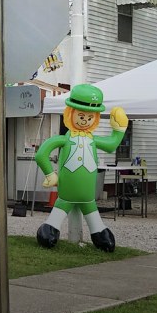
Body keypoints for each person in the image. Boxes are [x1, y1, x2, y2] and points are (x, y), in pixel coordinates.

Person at [33, 84, 128, 252]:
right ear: (71, 114)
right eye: (81, 115)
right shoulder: (65, 139)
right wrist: (50, 174)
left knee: (90, 208)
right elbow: (41, 154)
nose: (85, 120)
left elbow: (111, 144)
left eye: (90, 117)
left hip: (87, 196)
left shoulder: (92, 140)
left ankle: (99, 233)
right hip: (67, 193)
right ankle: (50, 229)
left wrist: (119, 130)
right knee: (64, 206)